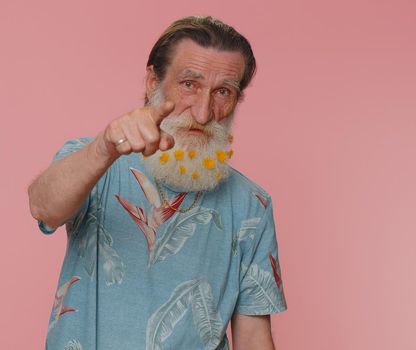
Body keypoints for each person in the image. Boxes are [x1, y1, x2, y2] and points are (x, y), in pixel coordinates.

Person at [28, 16, 287, 350]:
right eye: (189, 84)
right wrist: (106, 147)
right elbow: (43, 207)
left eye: (223, 91)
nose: (204, 112)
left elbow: (253, 336)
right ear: (153, 82)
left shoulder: (253, 204)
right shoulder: (95, 160)